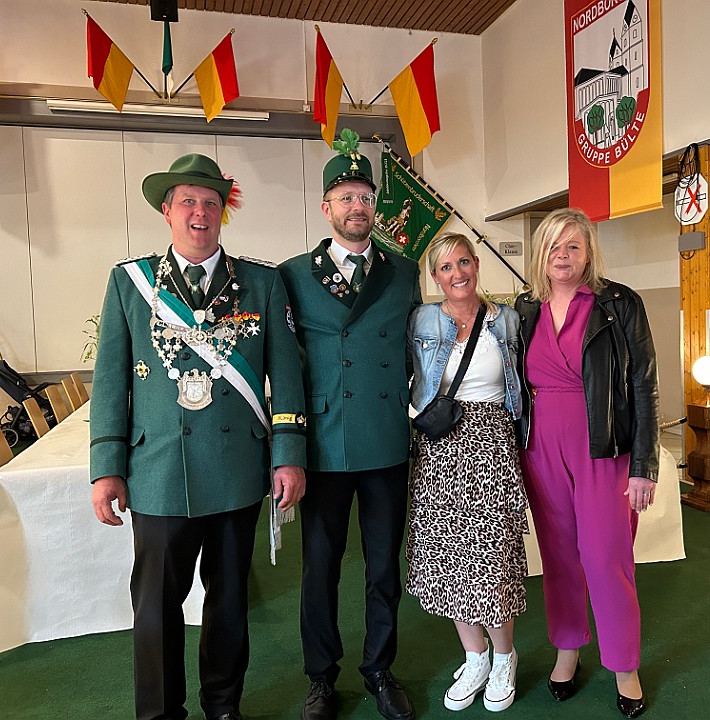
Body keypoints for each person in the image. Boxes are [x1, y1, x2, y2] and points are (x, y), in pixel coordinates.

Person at [90, 153, 308, 720]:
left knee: (229, 601)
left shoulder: (261, 283)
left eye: (211, 203)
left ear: (221, 213)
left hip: (236, 469)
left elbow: (286, 377)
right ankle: (159, 713)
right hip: (158, 473)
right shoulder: (130, 283)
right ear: (167, 210)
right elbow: (110, 382)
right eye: (188, 201)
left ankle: (223, 706)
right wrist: (107, 467)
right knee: (156, 607)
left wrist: (288, 455)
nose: (200, 212)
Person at [279, 132, 422, 720]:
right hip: (325, 443)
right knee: (321, 569)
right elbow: (286, 365)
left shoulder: (404, 271)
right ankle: (321, 676)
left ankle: (380, 669)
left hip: (385, 439)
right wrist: (287, 445)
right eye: (346, 197)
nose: (357, 205)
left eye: (365, 196)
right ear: (326, 207)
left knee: (384, 566)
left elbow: (418, 351)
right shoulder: (292, 275)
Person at [515, 207, 659, 719]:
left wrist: (643, 465)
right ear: (541, 254)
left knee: (606, 558)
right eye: (554, 247)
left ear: (588, 253)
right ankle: (568, 649)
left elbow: (643, 385)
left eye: (573, 246)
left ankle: (624, 665)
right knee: (558, 556)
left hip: (604, 448)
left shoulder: (618, 303)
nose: (563, 256)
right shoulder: (524, 308)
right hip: (540, 449)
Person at [405, 233, 528, 713]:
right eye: (445, 267)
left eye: (463, 263)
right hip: (439, 447)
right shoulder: (422, 319)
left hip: (493, 444)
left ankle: (504, 657)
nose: (456, 274)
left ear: (476, 264)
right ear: (435, 277)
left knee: (491, 558)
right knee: (449, 558)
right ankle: (474, 656)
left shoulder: (507, 319)